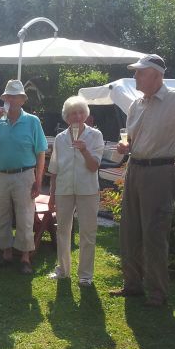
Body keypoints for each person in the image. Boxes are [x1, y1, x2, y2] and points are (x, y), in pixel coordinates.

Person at [110, 54, 175, 306]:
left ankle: (157, 293)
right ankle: (132, 285)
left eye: (140, 72)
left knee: (154, 233)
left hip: (160, 172)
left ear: (156, 75)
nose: (135, 76)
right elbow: (130, 140)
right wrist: (124, 146)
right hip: (134, 168)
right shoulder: (136, 104)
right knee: (129, 230)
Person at [0, 79, 48, 273]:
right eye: (8, 96)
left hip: (24, 174)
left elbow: (41, 152)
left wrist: (38, 180)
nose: (11, 99)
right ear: (4, 99)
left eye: (15, 96)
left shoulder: (32, 121)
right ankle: (6, 253)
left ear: (22, 100)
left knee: (25, 215)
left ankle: (25, 257)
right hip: (0, 175)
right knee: (1, 214)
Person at [47, 96, 105, 286]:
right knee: (62, 230)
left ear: (86, 114)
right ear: (67, 117)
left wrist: (84, 150)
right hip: (64, 188)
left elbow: (94, 166)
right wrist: (52, 195)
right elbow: (54, 169)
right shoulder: (60, 138)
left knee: (87, 232)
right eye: (73, 113)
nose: (77, 117)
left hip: (87, 189)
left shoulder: (95, 135)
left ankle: (85, 275)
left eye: (81, 112)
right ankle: (63, 270)